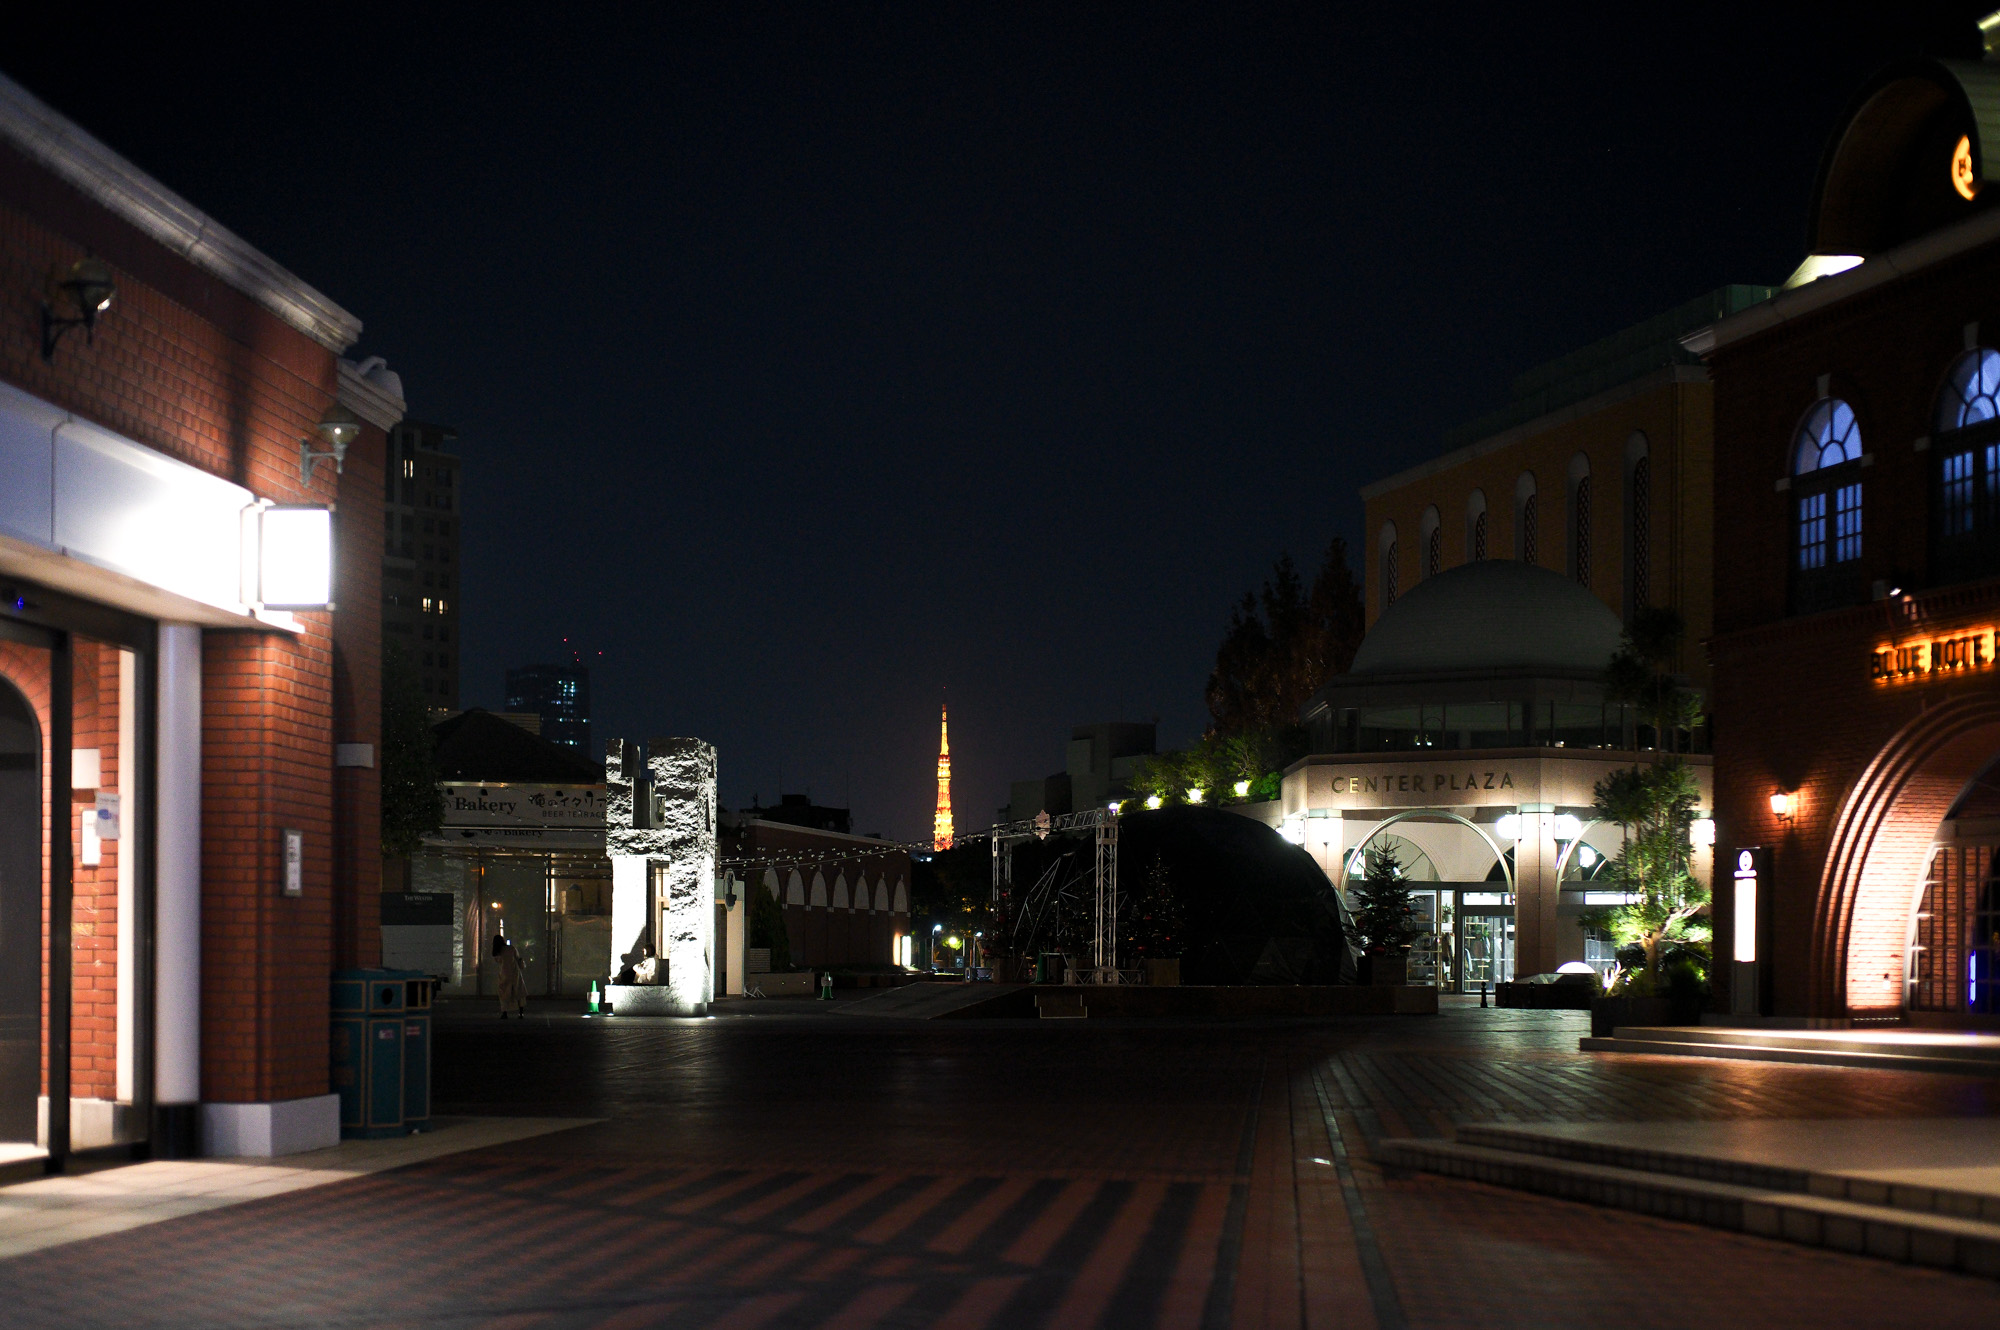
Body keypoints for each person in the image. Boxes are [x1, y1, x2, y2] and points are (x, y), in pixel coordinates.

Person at [493, 933, 528, 1019]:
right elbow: (518, 958)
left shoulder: (497, 952)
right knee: (519, 993)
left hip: (504, 974)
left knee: (504, 993)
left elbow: (498, 961)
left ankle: (504, 1012)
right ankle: (521, 1013)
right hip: (515, 973)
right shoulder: (511, 948)